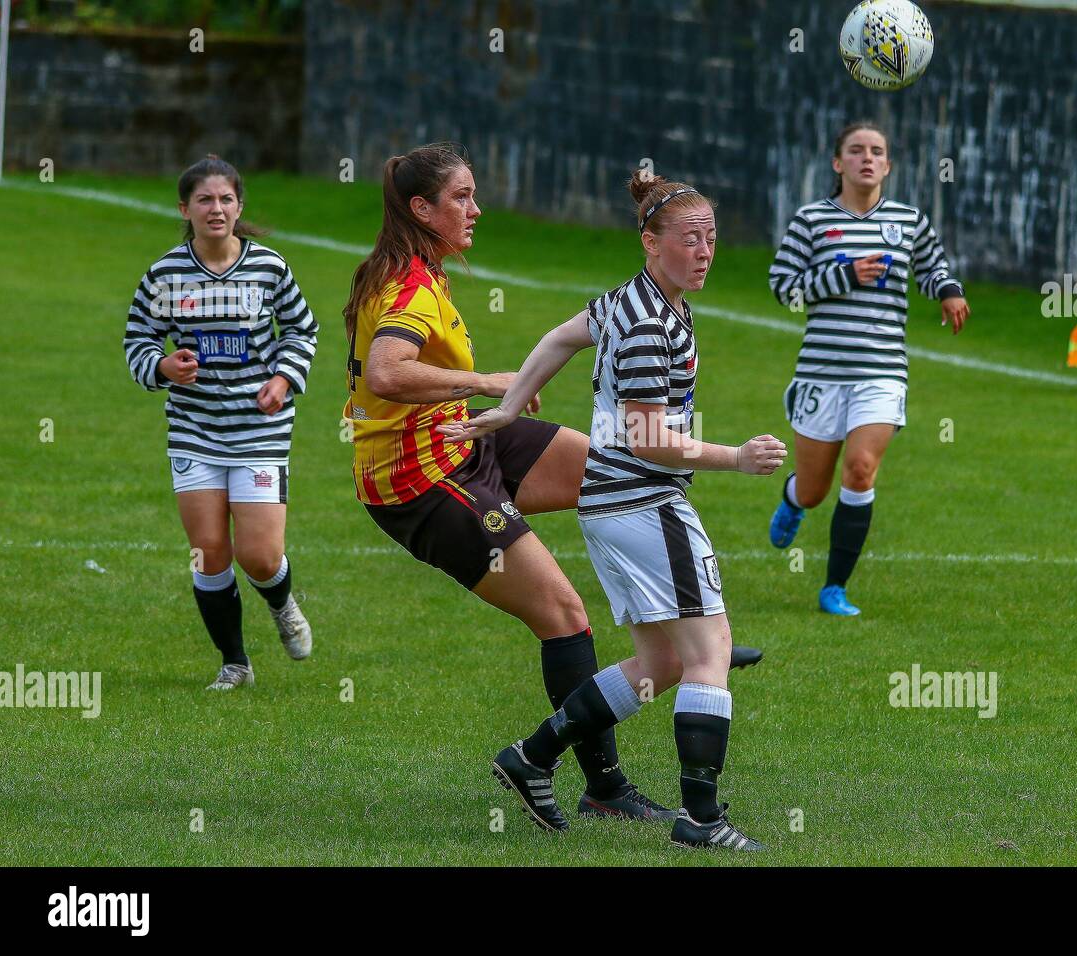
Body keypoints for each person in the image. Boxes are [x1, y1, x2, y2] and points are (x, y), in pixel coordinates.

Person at [345, 143, 733, 823]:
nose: (476, 208)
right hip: (420, 478)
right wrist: (492, 382)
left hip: (462, 440)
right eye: (461, 197)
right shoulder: (407, 282)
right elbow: (385, 374)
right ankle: (599, 785)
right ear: (420, 209)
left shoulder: (422, 269)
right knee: (564, 618)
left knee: (616, 471)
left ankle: (684, 645)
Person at [443, 171, 786, 850]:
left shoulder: (630, 301)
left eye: (711, 238)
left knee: (659, 664)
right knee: (710, 651)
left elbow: (560, 337)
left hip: (610, 504)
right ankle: (701, 821)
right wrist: (736, 457)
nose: (705, 251)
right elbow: (649, 439)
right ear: (650, 243)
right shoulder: (650, 324)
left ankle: (532, 756)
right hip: (643, 500)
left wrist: (510, 407)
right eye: (690, 240)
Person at [124, 154, 318, 690]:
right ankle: (235, 664)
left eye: (226, 199)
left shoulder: (269, 267)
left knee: (259, 555)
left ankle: (281, 603)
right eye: (205, 200)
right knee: (209, 551)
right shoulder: (164, 274)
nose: (216, 208)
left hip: (258, 428)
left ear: (239, 206)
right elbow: (137, 341)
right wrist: (163, 367)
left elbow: (302, 331)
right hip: (195, 429)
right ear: (184, 208)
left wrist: (282, 379)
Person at [766, 121, 970, 616]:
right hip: (820, 372)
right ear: (838, 163)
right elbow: (783, 286)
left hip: (881, 373)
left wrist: (947, 290)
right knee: (816, 491)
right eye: (856, 150)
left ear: (888, 165)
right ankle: (794, 497)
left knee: (860, 469)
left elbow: (932, 266)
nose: (867, 158)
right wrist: (845, 274)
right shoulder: (812, 220)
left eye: (877, 151)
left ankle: (834, 587)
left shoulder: (908, 220)